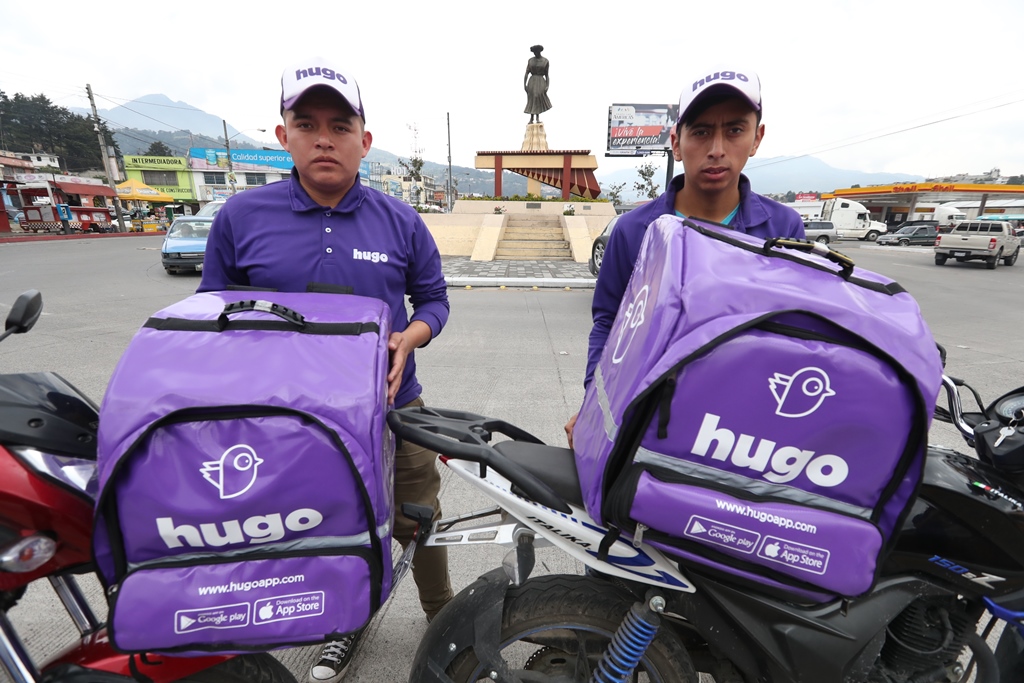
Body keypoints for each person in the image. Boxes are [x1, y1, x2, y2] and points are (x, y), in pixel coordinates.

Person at [198, 56, 453, 683]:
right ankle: (338, 624)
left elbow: (436, 300)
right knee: (323, 526)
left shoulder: (400, 220)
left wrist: (409, 338)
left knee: (420, 516)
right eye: (306, 123)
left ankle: (443, 618)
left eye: (340, 126)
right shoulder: (240, 218)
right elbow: (212, 314)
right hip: (288, 420)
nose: (323, 138)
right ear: (283, 135)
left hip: (397, 410)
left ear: (364, 141)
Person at [565, 66, 805, 446]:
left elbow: (792, 337)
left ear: (757, 137)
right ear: (676, 142)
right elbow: (609, 327)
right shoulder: (633, 230)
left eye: (735, 130)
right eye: (701, 131)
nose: (717, 149)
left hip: (740, 432)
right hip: (648, 417)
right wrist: (593, 405)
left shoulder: (783, 229)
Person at [523, 44, 552, 124]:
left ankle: (537, 117)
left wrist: (547, 85)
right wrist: (524, 84)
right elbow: (526, 73)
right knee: (531, 97)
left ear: (539, 51)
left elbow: (547, 75)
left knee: (538, 96)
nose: (535, 53)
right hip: (532, 81)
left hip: (540, 81)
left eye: (537, 52)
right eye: (534, 52)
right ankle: (531, 118)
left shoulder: (545, 61)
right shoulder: (530, 61)